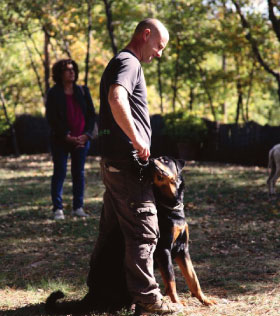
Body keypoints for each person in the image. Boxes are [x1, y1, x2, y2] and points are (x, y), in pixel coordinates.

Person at [87, 19, 182, 314]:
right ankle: (148, 298)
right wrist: (138, 139)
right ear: (146, 35)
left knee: (112, 230)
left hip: (116, 163)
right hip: (127, 165)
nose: (159, 54)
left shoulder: (122, 61)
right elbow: (117, 98)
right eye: (159, 47)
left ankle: (101, 292)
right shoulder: (128, 62)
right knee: (144, 231)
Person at [46, 59, 96, 220]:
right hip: (61, 140)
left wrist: (87, 135)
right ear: (59, 74)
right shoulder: (54, 93)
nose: (71, 72)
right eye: (67, 70)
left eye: (73, 69)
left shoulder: (83, 91)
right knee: (59, 172)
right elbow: (51, 118)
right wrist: (65, 135)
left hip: (82, 140)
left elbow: (91, 115)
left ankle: (78, 207)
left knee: (78, 174)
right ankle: (57, 209)